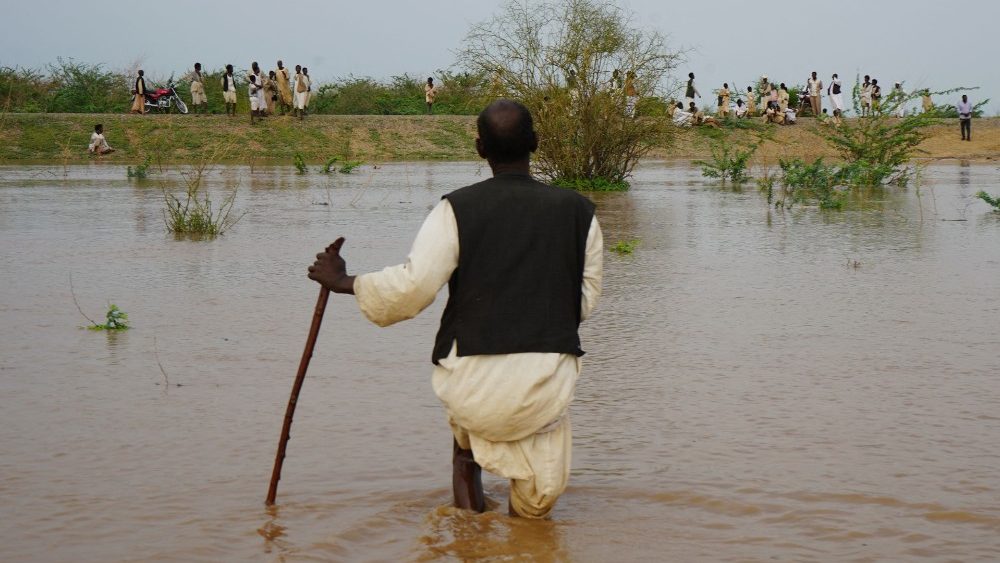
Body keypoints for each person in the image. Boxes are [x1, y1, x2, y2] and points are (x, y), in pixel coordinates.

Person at [307, 99, 603, 519]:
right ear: (536, 143)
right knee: (535, 510)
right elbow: (585, 300)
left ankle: (467, 533)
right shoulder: (581, 213)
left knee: (466, 452)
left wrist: (343, 281)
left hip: (470, 383)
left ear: (480, 149)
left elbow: (413, 289)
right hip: (545, 386)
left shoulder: (454, 210)